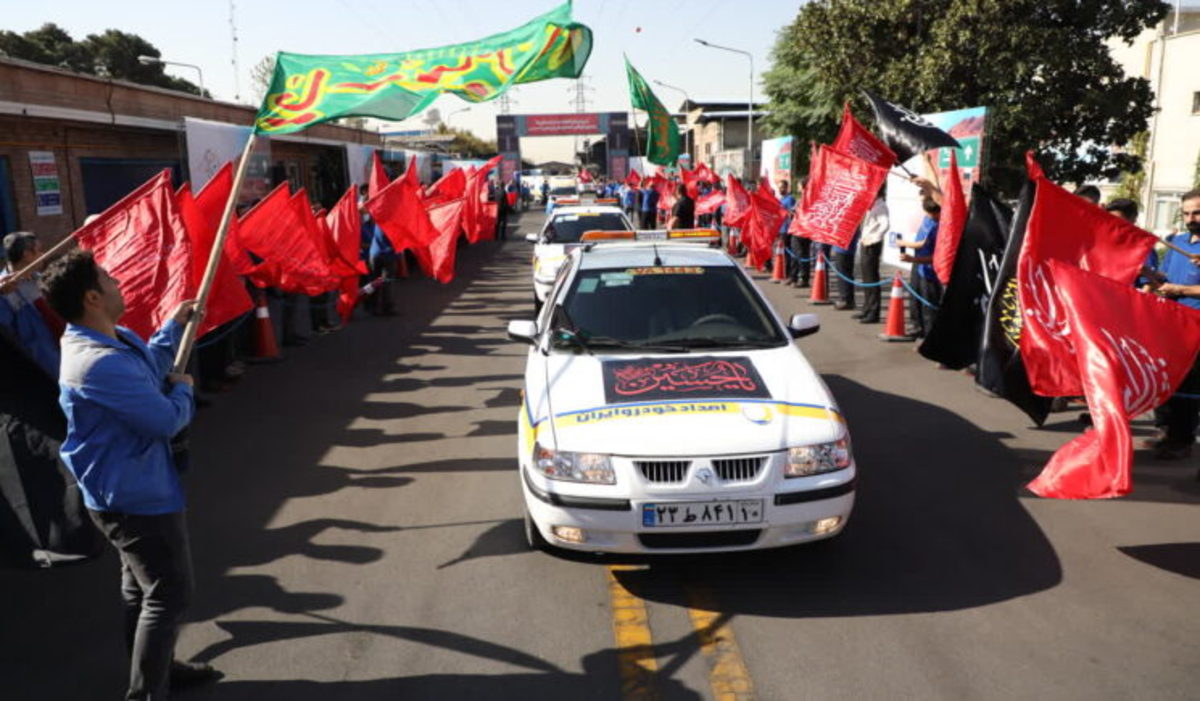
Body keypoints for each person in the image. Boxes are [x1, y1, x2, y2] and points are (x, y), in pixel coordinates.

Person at [40, 250, 221, 699]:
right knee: (169, 594)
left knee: (141, 592)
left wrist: (175, 327)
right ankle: (145, 691)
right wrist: (185, 393)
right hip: (134, 498)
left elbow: (149, 366)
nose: (118, 282)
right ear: (92, 297)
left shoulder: (111, 339)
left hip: (130, 488)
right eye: (109, 278)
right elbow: (162, 419)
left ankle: (157, 671)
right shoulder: (95, 361)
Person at [1144, 189, 1200, 461]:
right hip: (1170, 322)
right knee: (1166, 377)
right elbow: (1165, 275)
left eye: (1197, 212)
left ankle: (1183, 438)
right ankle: (1165, 430)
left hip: (1196, 326)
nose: (1191, 218)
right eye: (1187, 213)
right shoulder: (1178, 242)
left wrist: (1180, 288)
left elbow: (1180, 285)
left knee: (1189, 384)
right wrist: (1149, 276)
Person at [0, 231, 62, 376]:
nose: (43, 255)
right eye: (39, 250)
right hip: (39, 370)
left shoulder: (44, 281)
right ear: (26, 254)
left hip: (64, 356)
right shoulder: (5, 291)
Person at [895, 197, 943, 338]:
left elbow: (924, 244)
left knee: (929, 306)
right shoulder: (927, 218)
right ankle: (918, 328)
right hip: (920, 266)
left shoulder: (939, 226)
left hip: (930, 270)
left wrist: (908, 249)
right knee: (916, 299)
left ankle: (931, 339)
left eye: (933, 214)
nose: (931, 216)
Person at [855, 189, 889, 324]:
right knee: (866, 278)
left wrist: (874, 239)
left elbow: (885, 225)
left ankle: (873, 312)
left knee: (871, 278)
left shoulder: (881, 206)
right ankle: (867, 308)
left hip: (872, 244)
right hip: (865, 242)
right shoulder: (872, 205)